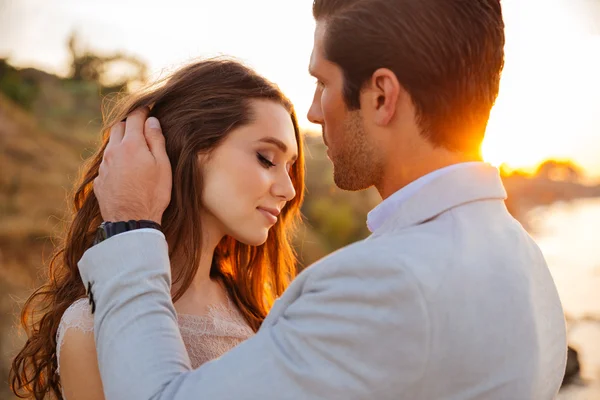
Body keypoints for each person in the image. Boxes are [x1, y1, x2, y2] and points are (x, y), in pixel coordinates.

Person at [79, 0, 568, 399]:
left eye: (322, 82)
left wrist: (129, 227)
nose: (313, 111)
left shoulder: (385, 283)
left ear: (381, 96)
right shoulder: (525, 258)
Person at [9, 59, 304, 400]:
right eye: (267, 158)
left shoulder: (261, 308)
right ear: (192, 147)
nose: (289, 189)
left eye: (290, 167)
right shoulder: (91, 327)